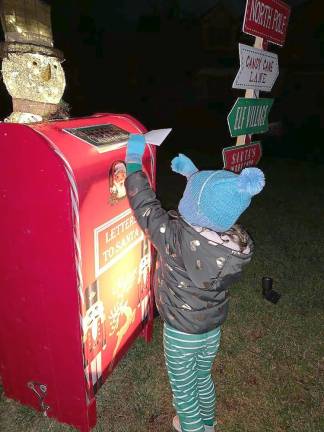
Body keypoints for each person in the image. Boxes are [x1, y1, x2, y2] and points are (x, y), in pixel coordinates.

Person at [125, 134, 265, 432]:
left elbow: (146, 207)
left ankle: (191, 427)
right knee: (203, 377)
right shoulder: (229, 242)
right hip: (210, 328)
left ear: (193, 206)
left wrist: (133, 162)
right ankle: (208, 423)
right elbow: (209, 200)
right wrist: (191, 173)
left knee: (183, 389)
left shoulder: (176, 238)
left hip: (181, 332)